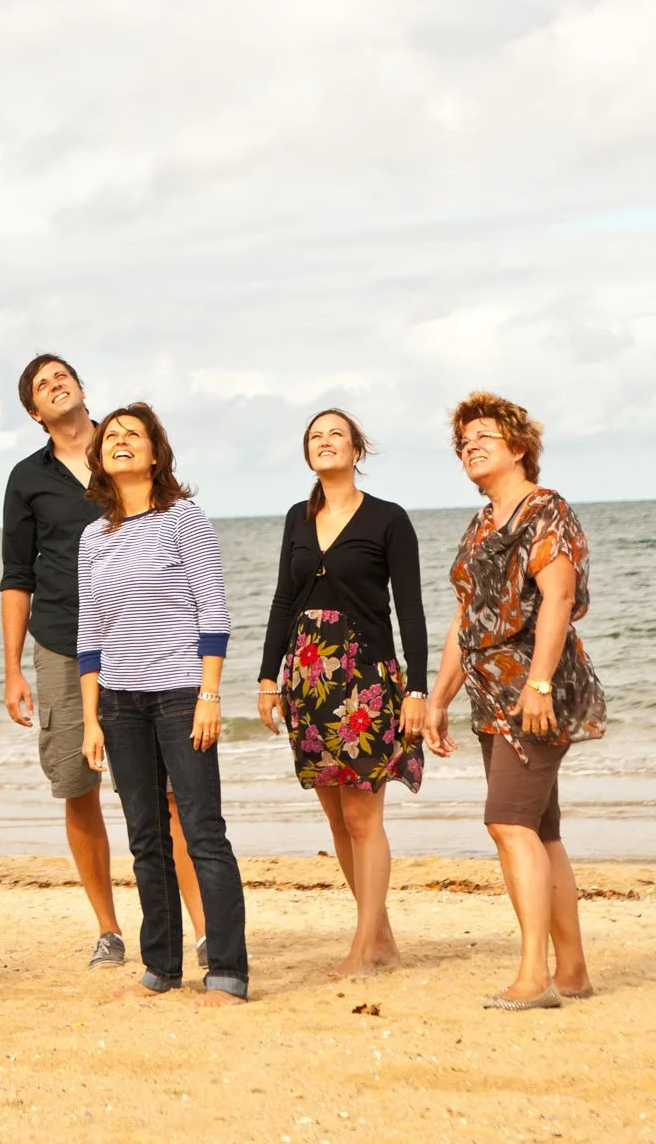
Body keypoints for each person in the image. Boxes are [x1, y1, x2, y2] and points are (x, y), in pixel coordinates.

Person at [0, 355, 205, 968]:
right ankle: (110, 930)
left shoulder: (126, 450)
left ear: (82, 389)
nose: (55, 383)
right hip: (63, 645)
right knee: (78, 786)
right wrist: (12, 666)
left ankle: (200, 929)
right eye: (42, 385)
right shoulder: (26, 479)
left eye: (62, 374)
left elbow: (175, 530)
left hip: (146, 643)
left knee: (169, 795)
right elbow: (17, 574)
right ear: (35, 413)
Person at [425, 393, 605, 1011]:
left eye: (484, 438)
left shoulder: (545, 510)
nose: (470, 447)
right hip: (490, 695)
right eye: (463, 442)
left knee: (506, 822)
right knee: (540, 831)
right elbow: (464, 620)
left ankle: (534, 976)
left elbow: (556, 598)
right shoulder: (480, 524)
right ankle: (573, 970)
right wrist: (438, 698)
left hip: (533, 693)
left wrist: (540, 683)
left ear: (518, 447)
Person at [78, 403, 248, 1004]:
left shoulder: (185, 520)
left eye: (134, 435)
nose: (121, 441)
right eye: (112, 436)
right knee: (145, 837)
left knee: (203, 832)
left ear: (155, 453)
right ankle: (161, 968)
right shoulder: (92, 537)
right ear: (100, 457)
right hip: (120, 706)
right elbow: (90, 634)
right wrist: (91, 719)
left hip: (180, 697)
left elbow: (214, 612)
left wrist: (209, 695)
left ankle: (227, 972)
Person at [256, 408, 428, 976]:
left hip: (365, 682)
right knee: (335, 819)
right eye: (315, 436)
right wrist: (267, 678)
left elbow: (410, 610)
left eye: (336, 434)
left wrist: (418, 689)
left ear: (357, 450)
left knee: (363, 819)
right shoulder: (296, 519)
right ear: (308, 454)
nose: (325, 442)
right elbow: (284, 601)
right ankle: (380, 940)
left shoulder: (388, 519)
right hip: (306, 682)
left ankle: (362, 949)